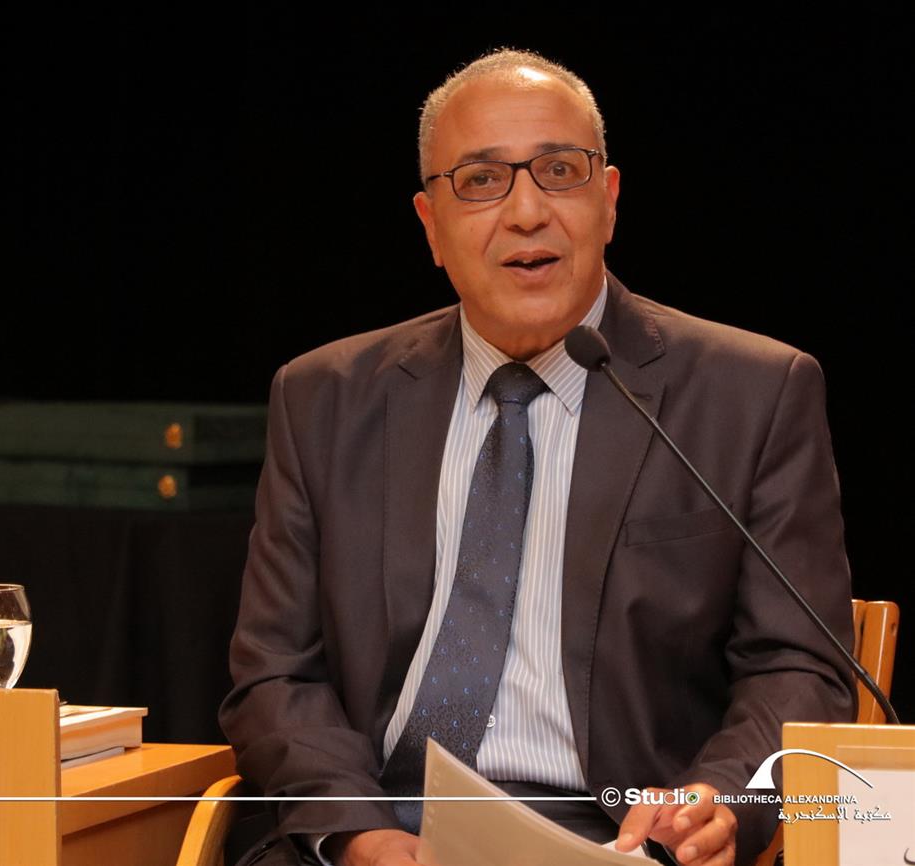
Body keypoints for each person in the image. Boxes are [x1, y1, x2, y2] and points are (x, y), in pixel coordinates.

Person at [219, 48, 855, 866]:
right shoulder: (324, 400)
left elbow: (799, 667)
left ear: (608, 200)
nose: (527, 213)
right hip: (379, 829)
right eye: (482, 180)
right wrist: (358, 834)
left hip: (617, 839)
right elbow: (275, 674)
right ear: (430, 226)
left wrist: (723, 800)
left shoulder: (752, 394)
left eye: (559, 171)